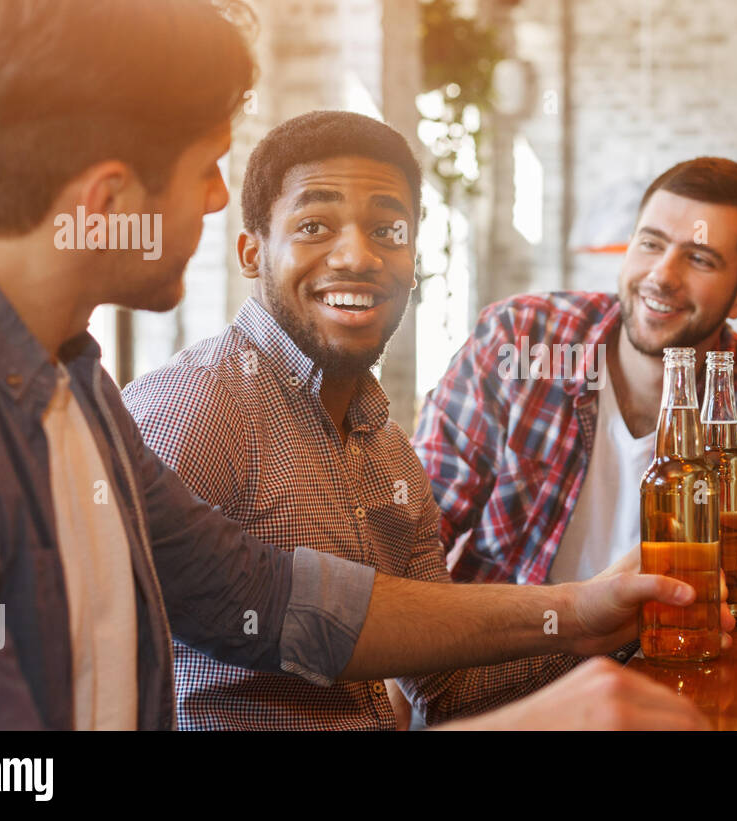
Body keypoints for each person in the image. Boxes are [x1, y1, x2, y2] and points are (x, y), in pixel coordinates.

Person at [0, 0, 714, 731]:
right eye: (206, 167)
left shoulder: (76, 385)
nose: (221, 201)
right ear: (109, 203)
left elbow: (268, 595)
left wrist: (578, 609)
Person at [123, 110, 684, 730]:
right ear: (252, 253)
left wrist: (608, 615)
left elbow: (449, 686)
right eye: (314, 226)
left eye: (388, 230)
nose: (358, 256)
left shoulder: (389, 452)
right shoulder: (194, 408)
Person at [414, 157, 737, 588]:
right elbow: (413, 531)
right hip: (507, 683)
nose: (662, 276)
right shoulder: (522, 339)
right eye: (651, 243)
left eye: (700, 259)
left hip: (680, 681)